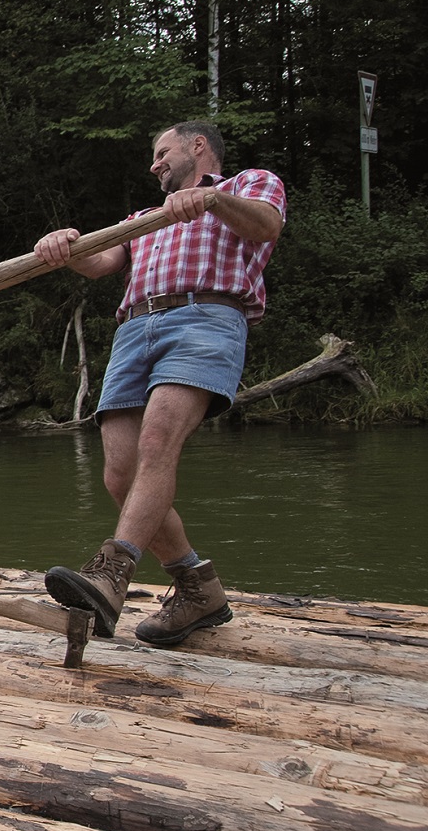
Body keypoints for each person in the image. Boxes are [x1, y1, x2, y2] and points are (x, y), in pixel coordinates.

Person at [35, 121, 285, 647]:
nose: (154, 165)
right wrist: (66, 246)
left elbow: (264, 227)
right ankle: (200, 590)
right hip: (134, 330)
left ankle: (110, 572)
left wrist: (210, 200)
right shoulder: (141, 218)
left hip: (205, 318)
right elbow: (101, 262)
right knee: (119, 475)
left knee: (157, 443)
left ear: (198, 147)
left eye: (161, 153)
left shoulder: (248, 184)